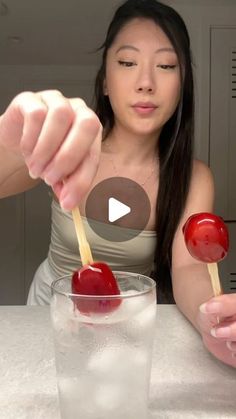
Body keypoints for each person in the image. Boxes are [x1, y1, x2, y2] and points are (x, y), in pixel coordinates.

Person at [0, 0, 235, 367]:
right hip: (51, 316)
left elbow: (190, 269)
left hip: (128, 324)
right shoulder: (70, 147)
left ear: (182, 85)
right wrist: (9, 141)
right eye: (127, 63)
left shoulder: (193, 177)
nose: (146, 83)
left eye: (167, 65)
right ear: (106, 81)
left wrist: (214, 318)